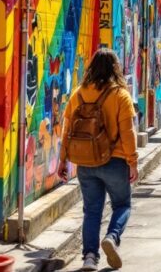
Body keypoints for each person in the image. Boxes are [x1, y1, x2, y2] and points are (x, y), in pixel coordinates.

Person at [58, 49, 138, 271]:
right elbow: (128, 133)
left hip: (85, 163)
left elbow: (67, 131)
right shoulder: (121, 95)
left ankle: (90, 258)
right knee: (122, 205)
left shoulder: (78, 94)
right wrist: (132, 161)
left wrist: (62, 160)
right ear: (116, 68)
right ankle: (112, 237)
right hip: (116, 162)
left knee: (92, 210)